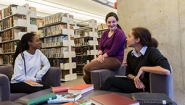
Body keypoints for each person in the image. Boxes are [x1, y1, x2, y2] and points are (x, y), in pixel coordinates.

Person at [100, 27, 171, 93]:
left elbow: (166, 70)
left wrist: (143, 68)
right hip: (135, 83)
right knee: (113, 90)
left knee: (110, 80)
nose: (126, 39)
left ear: (137, 40)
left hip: (145, 86)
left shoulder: (152, 51)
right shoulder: (131, 54)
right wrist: (135, 78)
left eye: (129, 36)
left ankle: (93, 101)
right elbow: (128, 73)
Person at [83, 12, 127, 84]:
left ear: (117, 22)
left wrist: (102, 57)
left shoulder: (120, 33)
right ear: (106, 23)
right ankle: (95, 88)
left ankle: (102, 86)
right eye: (109, 22)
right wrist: (100, 55)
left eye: (113, 22)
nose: (111, 24)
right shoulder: (105, 33)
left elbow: (113, 51)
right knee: (85, 77)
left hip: (115, 59)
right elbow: (100, 47)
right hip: (105, 57)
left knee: (87, 68)